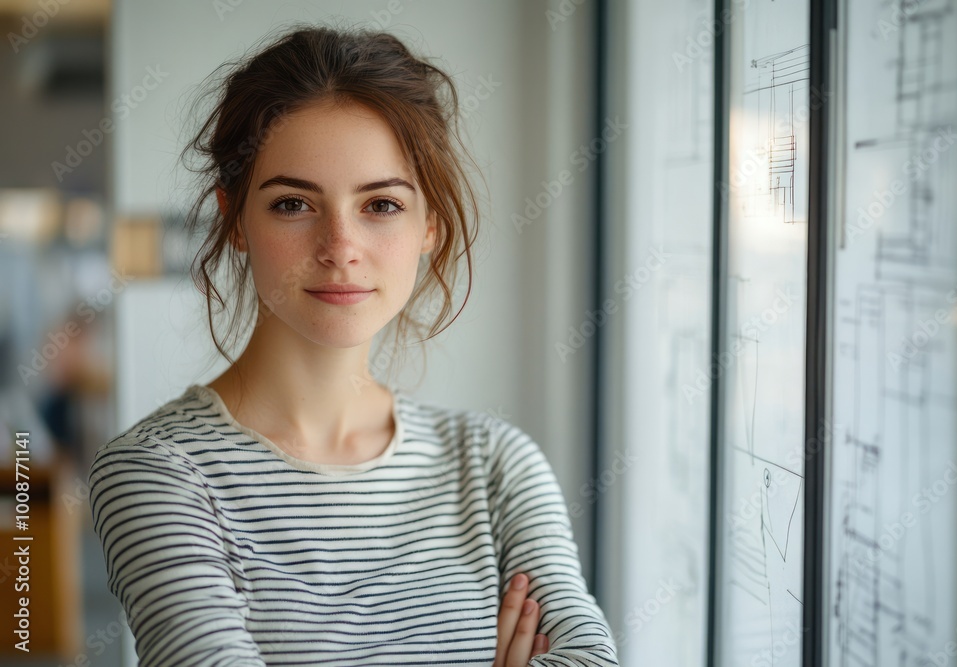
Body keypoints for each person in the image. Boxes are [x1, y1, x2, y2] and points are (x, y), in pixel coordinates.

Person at [88, 22, 619, 667]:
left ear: (432, 224)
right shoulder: (159, 473)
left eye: (382, 205)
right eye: (292, 203)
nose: (340, 247)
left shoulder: (495, 464)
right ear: (236, 222)